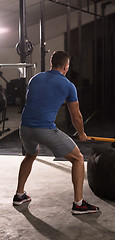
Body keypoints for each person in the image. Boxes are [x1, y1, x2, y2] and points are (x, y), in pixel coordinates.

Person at [13, 50, 99, 215]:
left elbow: (35, 103)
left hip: (24, 128)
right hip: (44, 129)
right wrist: (81, 134)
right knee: (78, 158)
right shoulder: (68, 85)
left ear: (52, 64)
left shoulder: (35, 78)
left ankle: (19, 195)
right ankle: (79, 204)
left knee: (30, 155)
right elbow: (77, 116)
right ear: (66, 67)